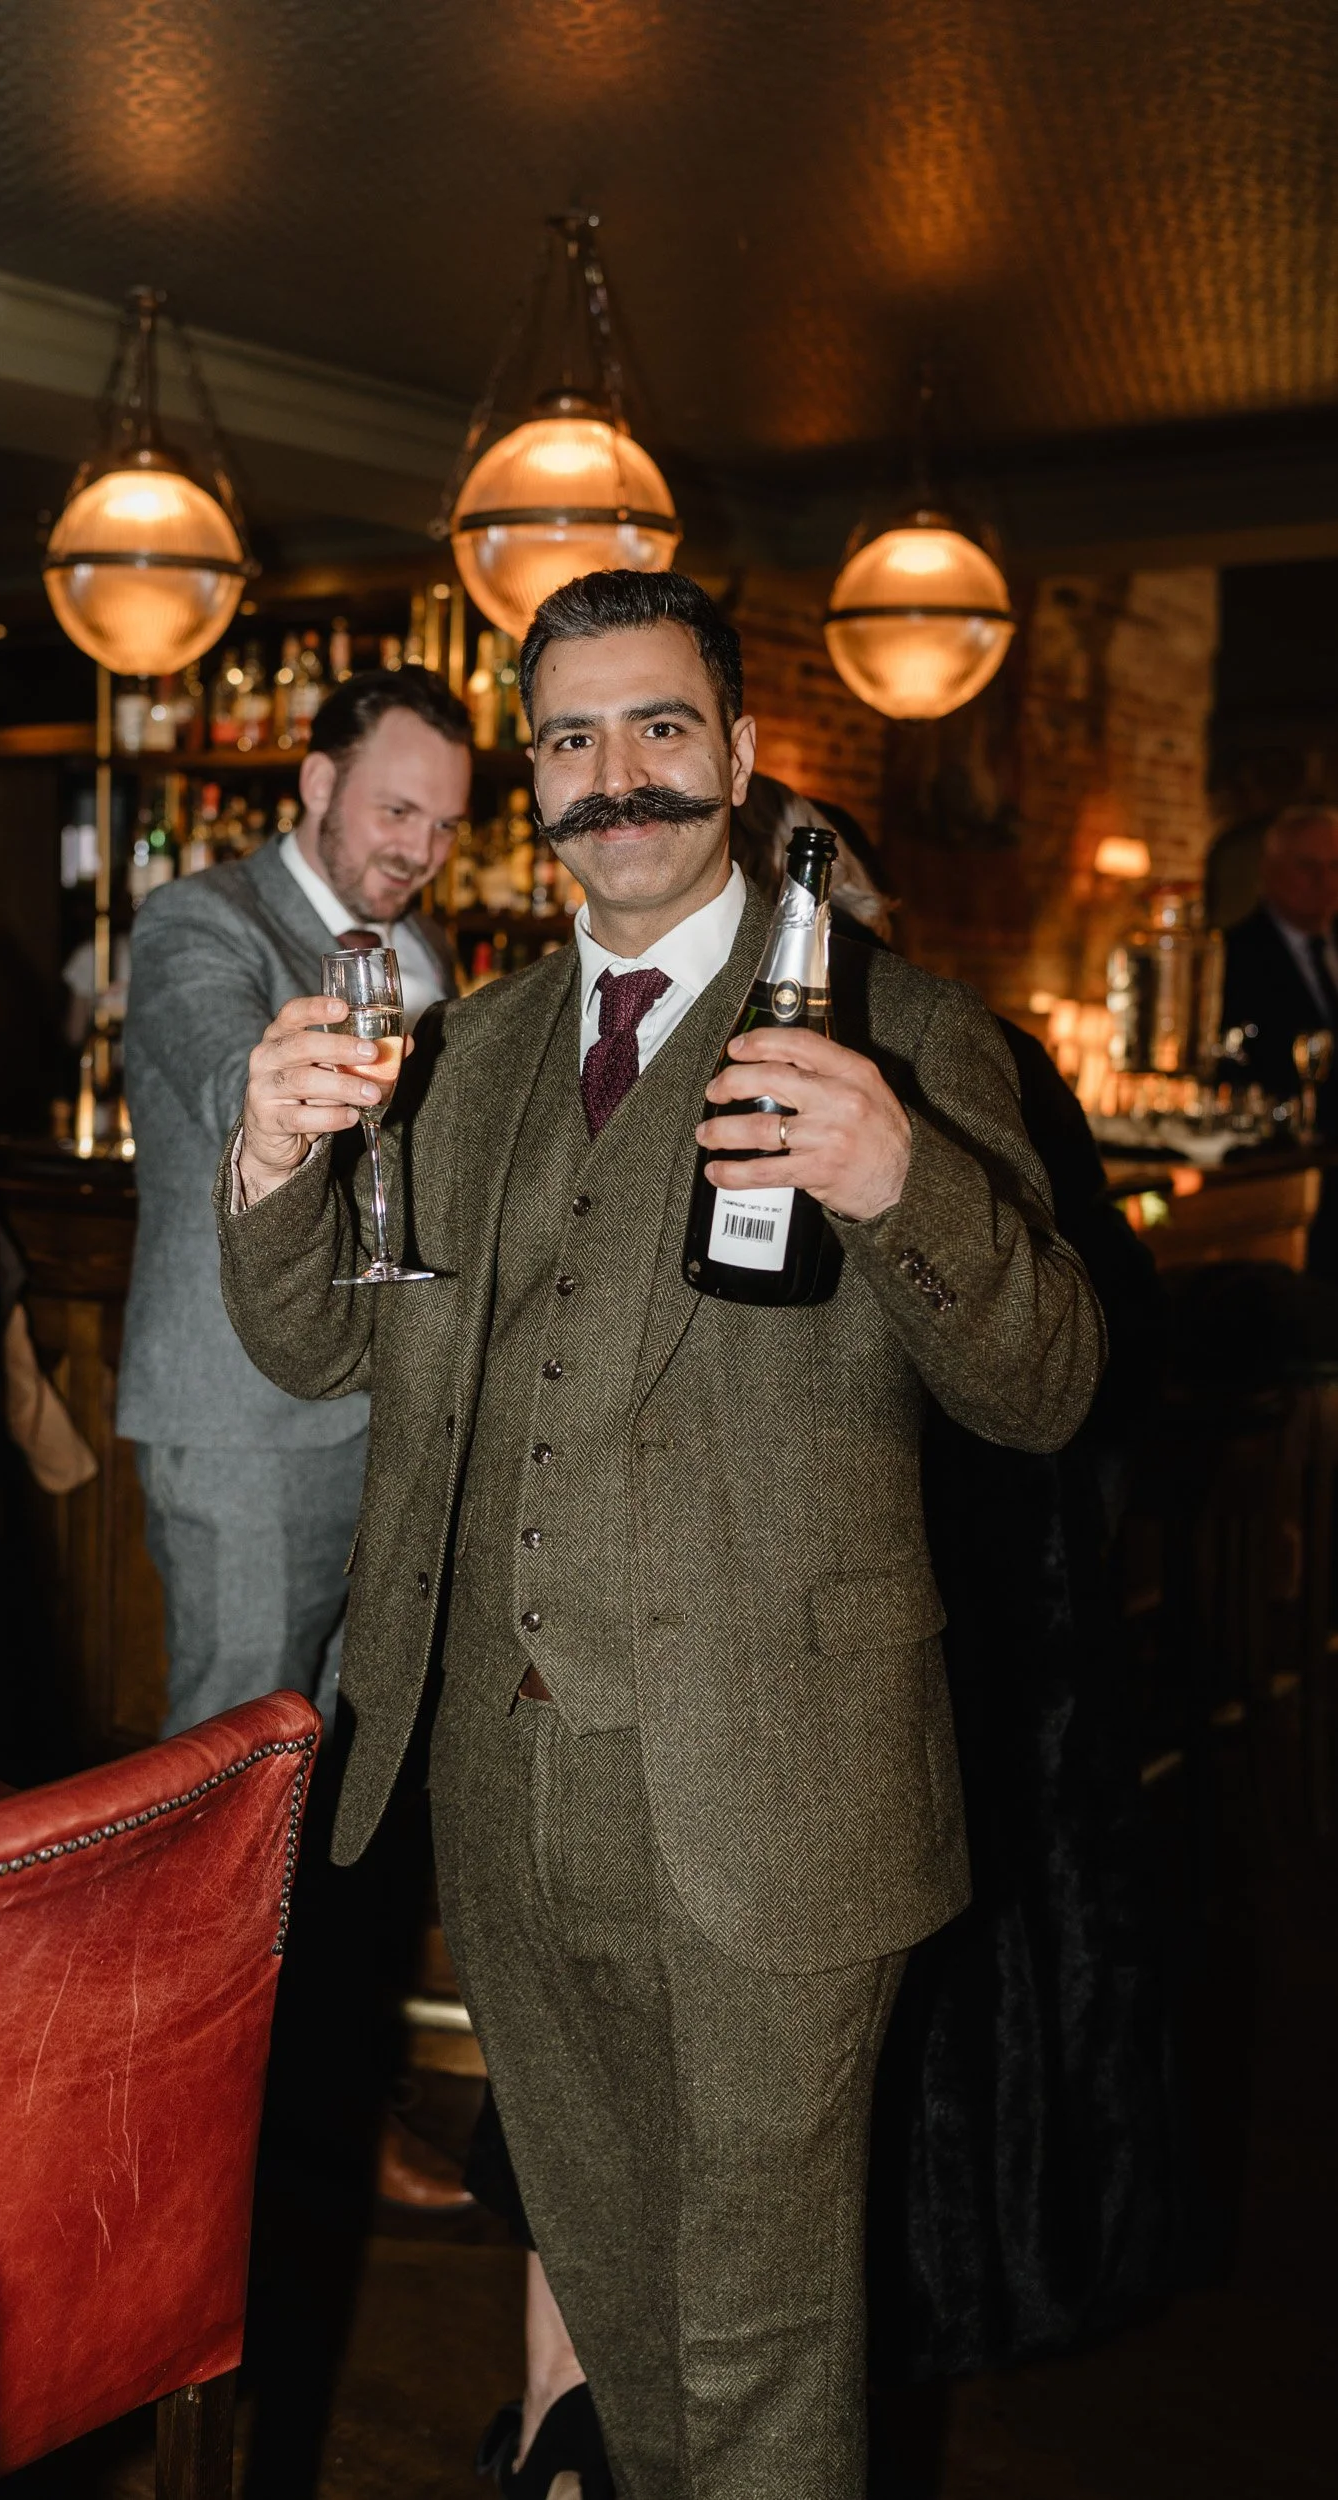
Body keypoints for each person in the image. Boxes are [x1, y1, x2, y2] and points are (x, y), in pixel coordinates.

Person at [217, 569, 1103, 2500]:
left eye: (658, 729)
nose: (614, 779)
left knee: (764, 2339)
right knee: (614, 2301)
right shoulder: (473, 1049)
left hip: (779, 1797)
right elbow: (319, 1347)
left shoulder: (912, 1037)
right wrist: (271, 1169)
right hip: (509, 1790)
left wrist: (901, 1183)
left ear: (741, 754)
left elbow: (1043, 1387)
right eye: (568, 740)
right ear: (528, 777)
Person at [118, 667, 469, 1739]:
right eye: (395, 811)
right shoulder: (198, 921)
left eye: (446, 825)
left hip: (385, 1412)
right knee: (231, 1776)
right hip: (239, 1428)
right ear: (318, 780)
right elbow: (238, 1089)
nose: (418, 850)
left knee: (336, 1770)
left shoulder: (422, 950)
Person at [1222, 800, 1338, 1274]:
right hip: (1286, 1177)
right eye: (1307, 866)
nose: (1324, 881)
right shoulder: (1235, 955)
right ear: (1270, 871)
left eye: (1335, 866)